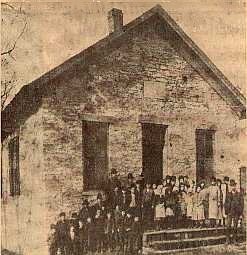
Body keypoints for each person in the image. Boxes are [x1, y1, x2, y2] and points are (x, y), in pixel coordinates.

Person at [225, 179, 244, 244]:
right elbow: (226, 203)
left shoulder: (239, 194)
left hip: (236, 213)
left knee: (235, 226)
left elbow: (242, 204)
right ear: (230, 187)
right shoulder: (228, 194)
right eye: (232, 186)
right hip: (230, 212)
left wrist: (241, 214)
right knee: (228, 226)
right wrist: (226, 212)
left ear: (235, 186)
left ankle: (234, 240)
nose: (233, 187)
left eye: (234, 186)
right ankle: (227, 240)